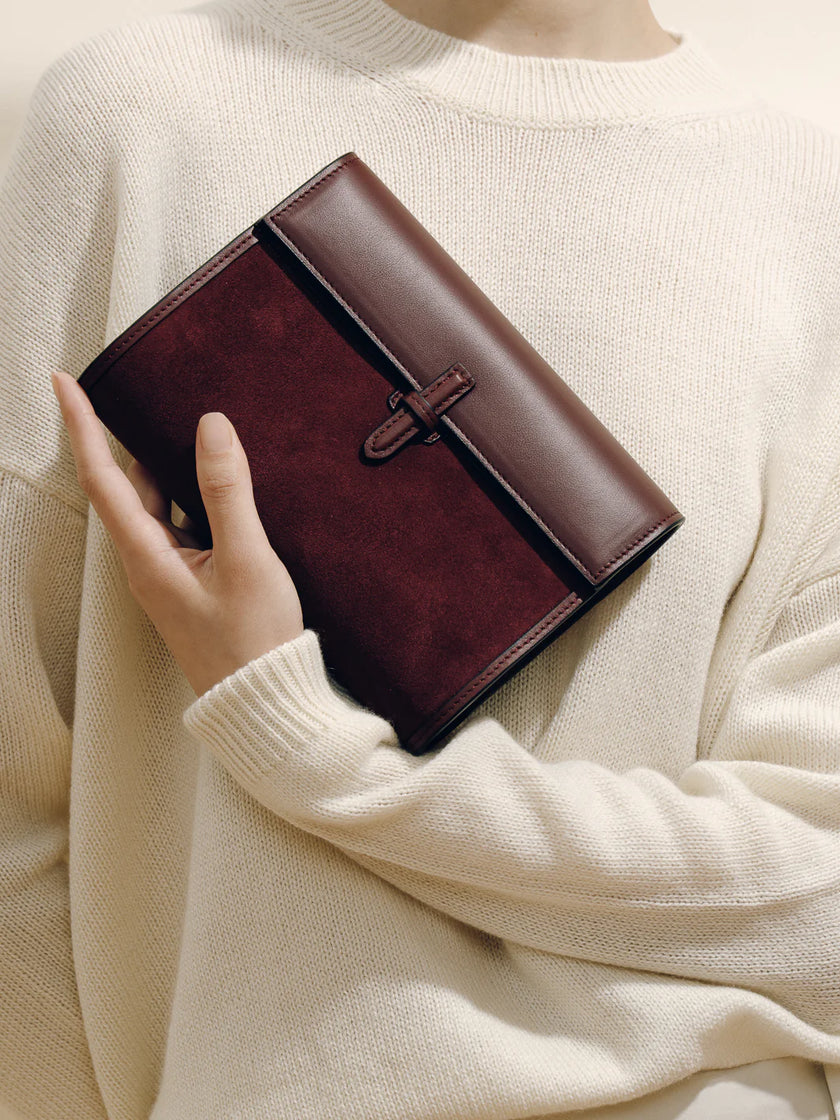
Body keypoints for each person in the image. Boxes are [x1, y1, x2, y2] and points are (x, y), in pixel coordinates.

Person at [1, 0, 839, 1116]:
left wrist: (322, 756)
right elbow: (18, 801)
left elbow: (815, 888)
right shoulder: (139, 113)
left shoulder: (810, 209)